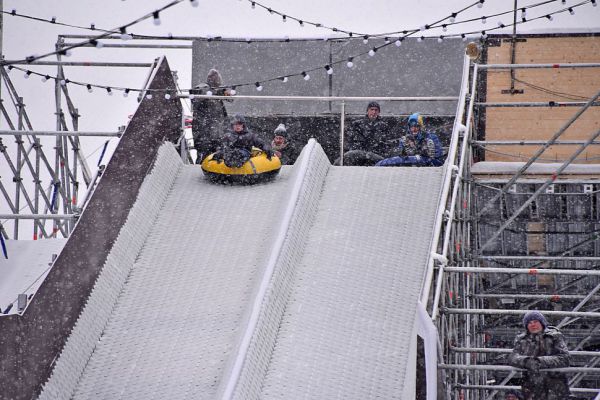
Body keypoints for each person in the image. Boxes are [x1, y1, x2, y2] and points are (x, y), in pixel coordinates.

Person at [507, 310, 571, 400]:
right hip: (531, 387)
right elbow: (512, 357)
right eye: (529, 323)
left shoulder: (555, 336)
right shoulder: (521, 339)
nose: (533, 325)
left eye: (536, 322)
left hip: (555, 387)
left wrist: (539, 361)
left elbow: (565, 358)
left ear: (542, 323)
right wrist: (527, 361)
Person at [191, 68, 232, 164]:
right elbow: (198, 92)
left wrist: (226, 93)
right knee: (203, 159)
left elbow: (231, 99)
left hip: (217, 135)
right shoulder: (203, 87)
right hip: (203, 134)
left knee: (217, 160)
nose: (217, 81)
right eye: (215, 79)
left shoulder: (217, 96)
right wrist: (219, 91)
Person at [376, 112, 444, 167]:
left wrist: (421, 152)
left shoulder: (431, 137)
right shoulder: (405, 140)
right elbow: (400, 155)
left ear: (421, 127)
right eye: (411, 127)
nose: (414, 129)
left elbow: (438, 159)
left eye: (416, 126)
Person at [340, 101, 394, 166]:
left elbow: (387, 144)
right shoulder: (357, 124)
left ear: (379, 112)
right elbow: (353, 142)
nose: (374, 112)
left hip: (378, 157)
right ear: (367, 111)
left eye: (376, 110)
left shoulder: (384, 126)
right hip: (360, 157)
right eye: (372, 109)